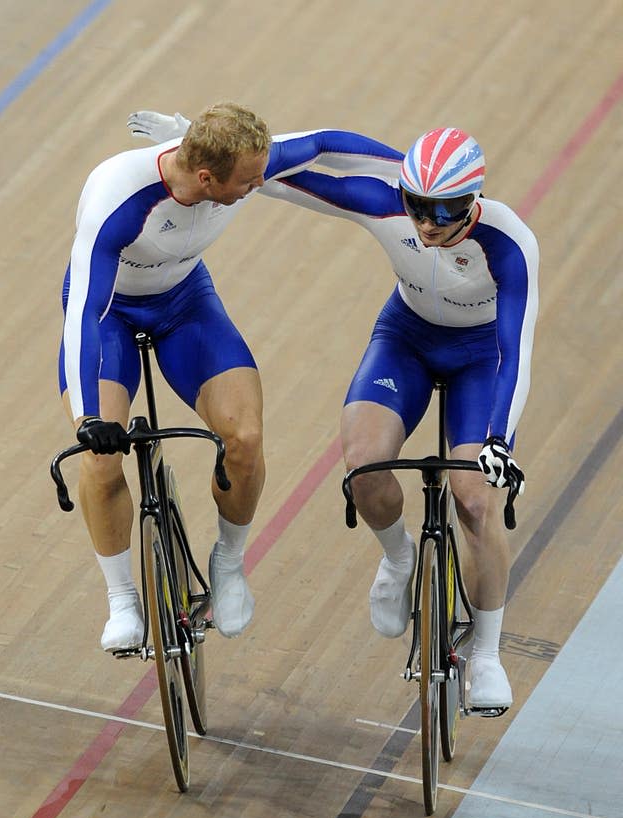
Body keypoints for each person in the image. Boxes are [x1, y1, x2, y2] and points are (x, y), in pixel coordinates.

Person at [132, 113, 538, 710]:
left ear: (473, 201)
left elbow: (516, 349)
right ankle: (401, 559)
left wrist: (498, 438)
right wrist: (198, 138)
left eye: (445, 212)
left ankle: (486, 654)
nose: (427, 224)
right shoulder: (388, 206)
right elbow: (276, 176)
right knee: (363, 470)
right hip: (407, 338)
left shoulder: (509, 243)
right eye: (417, 206)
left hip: (484, 359)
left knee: (475, 502)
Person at [59, 101, 403, 652]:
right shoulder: (118, 197)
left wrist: (412, 174)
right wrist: (89, 419)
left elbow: (325, 139)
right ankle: (122, 597)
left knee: (243, 438)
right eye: (248, 181)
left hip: (185, 303)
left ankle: (228, 560)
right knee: (101, 458)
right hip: (109, 315)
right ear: (205, 177)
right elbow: (84, 313)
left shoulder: (239, 162)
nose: (260, 185)